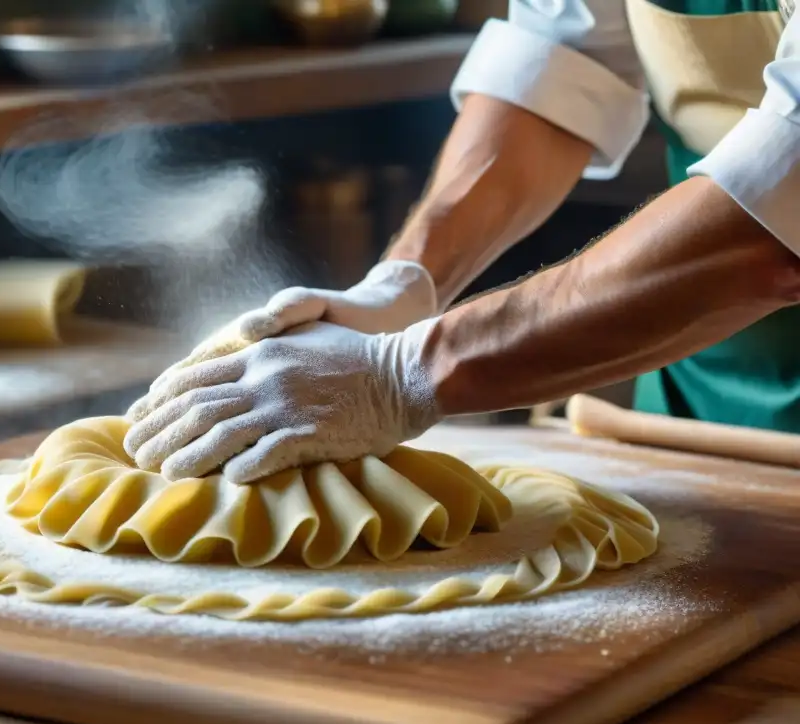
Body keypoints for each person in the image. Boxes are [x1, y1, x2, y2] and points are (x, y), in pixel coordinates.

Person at [124, 1, 800, 485]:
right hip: (696, 416)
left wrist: (401, 373)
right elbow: (561, 67)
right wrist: (404, 283)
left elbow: (768, 221)